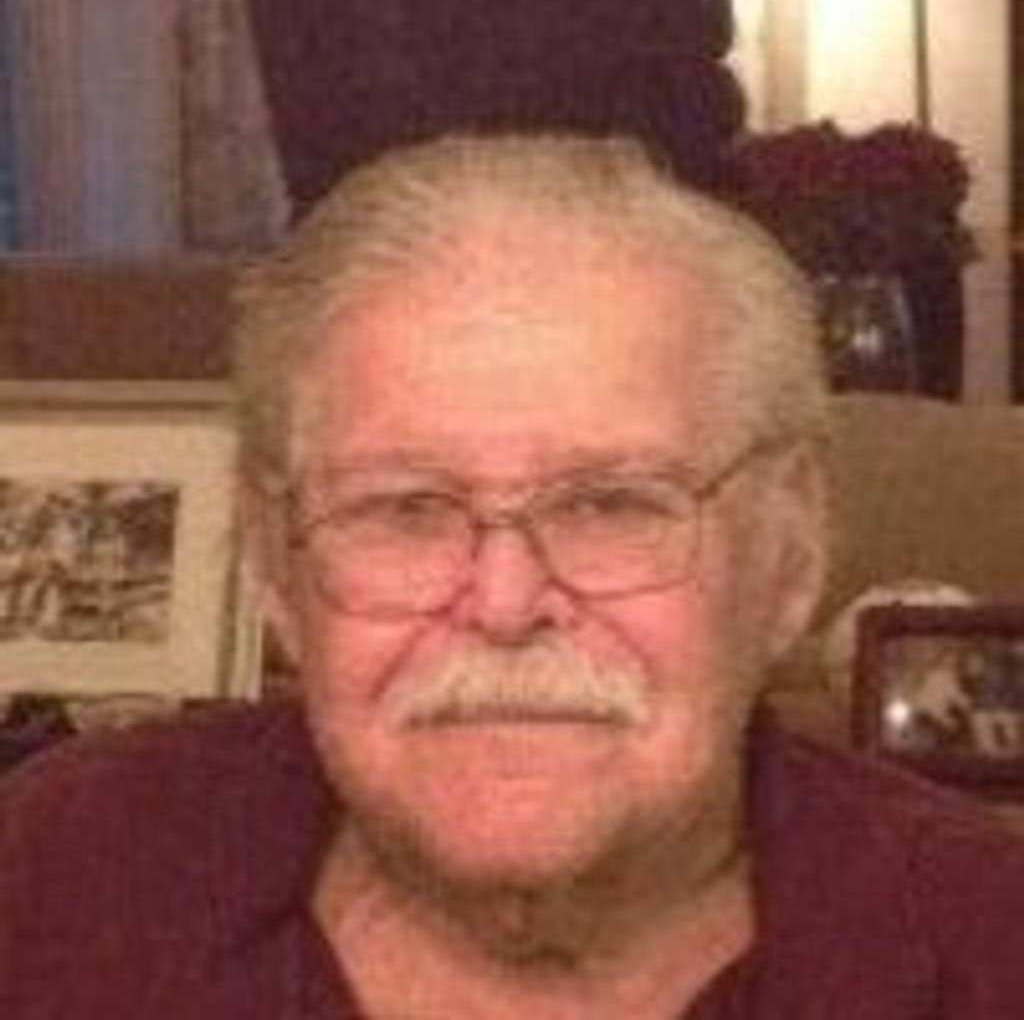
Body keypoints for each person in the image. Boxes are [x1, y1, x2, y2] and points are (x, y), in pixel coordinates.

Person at [1, 134, 1022, 1019]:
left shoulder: (985, 949)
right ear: (275, 562)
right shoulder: (59, 880)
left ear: (791, 551)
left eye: (610, 505)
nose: (502, 604)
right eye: (404, 509)